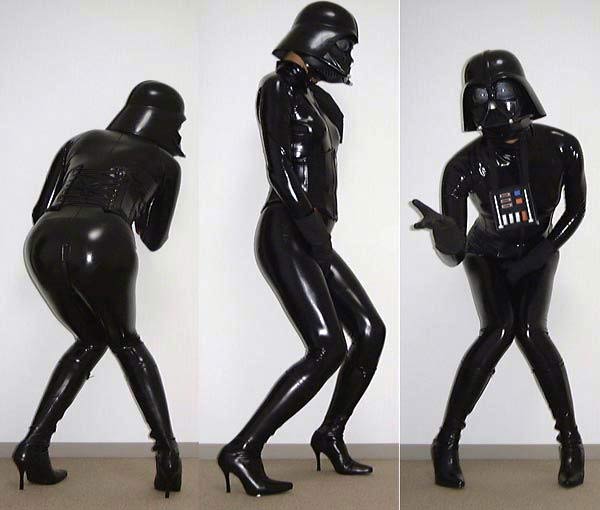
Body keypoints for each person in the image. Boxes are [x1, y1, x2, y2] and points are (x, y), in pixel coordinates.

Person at [217, 1, 386, 497]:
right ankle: (243, 449)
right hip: (288, 230)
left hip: (313, 235)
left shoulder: (319, 100)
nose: (348, 58)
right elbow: (280, 167)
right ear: (317, 40)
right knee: (328, 347)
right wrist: (313, 230)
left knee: (370, 331)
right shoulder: (277, 88)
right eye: (344, 46)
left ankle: (329, 433)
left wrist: (319, 235)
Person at [413, 50, 586, 489]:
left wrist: (543, 250)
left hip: (538, 250)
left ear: (523, 92)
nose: (494, 105)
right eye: (482, 96)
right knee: (499, 330)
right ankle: (447, 441)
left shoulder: (562, 146)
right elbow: (454, 254)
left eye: (503, 91)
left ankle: (571, 441)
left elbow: (576, 210)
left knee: (530, 330)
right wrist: (447, 237)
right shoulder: (462, 166)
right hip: (486, 253)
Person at [13, 81, 186, 498]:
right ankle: (167, 454)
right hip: (104, 236)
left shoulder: (81, 140)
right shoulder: (165, 163)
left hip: (44, 238)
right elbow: (153, 238)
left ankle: (35, 445)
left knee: (92, 339)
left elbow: (40, 208)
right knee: (126, 342)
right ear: (166, 122)